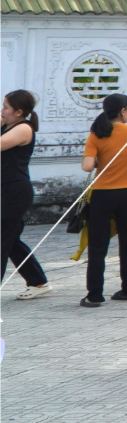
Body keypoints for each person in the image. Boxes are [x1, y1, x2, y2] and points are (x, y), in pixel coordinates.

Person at [80, 93, 127, 306]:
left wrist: (99, 164)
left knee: (98, 244)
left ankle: (94, 294)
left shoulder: (97, 134)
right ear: (122, 111)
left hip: (102, 193)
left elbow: (87, 166)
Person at [2, 90, 51, 299]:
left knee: (2, 239)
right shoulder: (7, 124)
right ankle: (37, 281)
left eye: (6, 107)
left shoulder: (23, 128)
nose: (2, 110)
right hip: (4, 190)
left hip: (15, 192)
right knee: (11, 239)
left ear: (19, 112)